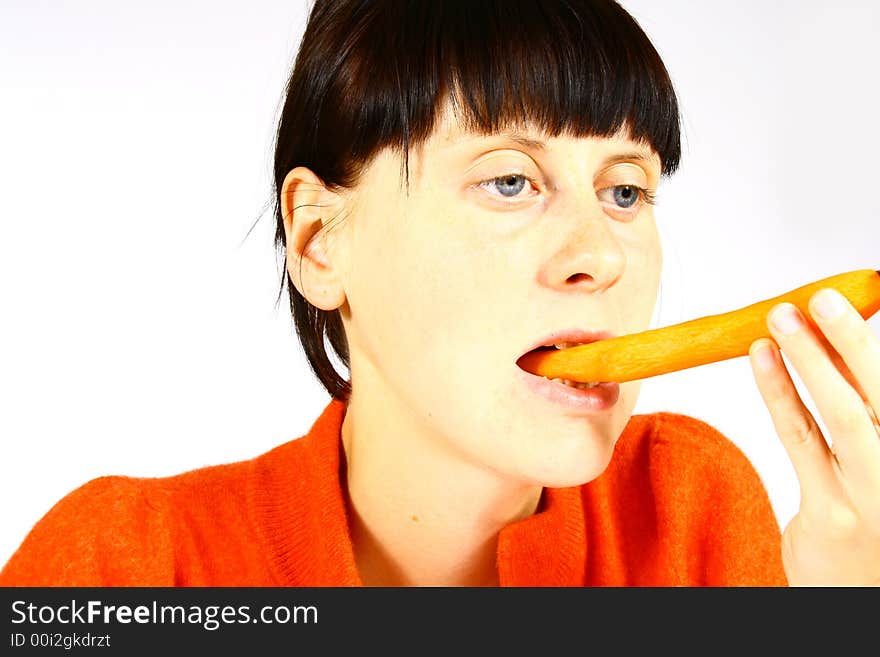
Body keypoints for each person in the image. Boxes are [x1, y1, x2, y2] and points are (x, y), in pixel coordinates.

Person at [2, 0, 879, 587]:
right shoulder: (123, 567)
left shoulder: (690, 512)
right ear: (319, 239)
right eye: (510, 181)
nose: (598, 258)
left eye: (624, 191)